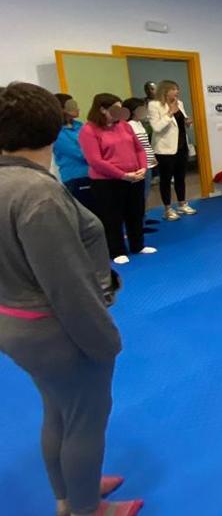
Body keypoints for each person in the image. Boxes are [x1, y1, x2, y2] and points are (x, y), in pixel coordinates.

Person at [0, 82, 143, 516]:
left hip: (16, 325)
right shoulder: (37, 194)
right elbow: (67, 286)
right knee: (84, 419)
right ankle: (85, 509)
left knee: (59, 410)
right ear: (53, 125)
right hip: (55, 329)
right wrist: (105, 339)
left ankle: (71, 491)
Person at [79, 94, 156, 265]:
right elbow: (95, 160)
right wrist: (122, 175)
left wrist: (143, 167)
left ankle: (138, 245)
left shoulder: (125, 126)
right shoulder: (89, 130)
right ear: (102, 109)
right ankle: (116, 250)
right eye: (115, 109)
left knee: (135, 212)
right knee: (111, 216)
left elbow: (139, 149)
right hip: (106, 182)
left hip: (135, 177)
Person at [147, 80, 196, 221]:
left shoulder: (179, 103)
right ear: (165, 90)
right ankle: (168, 209)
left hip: (181, 146)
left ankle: (182, 203)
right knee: (166, 179)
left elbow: (181, 123)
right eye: (173, 89)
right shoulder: (154, 105)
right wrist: (169, 114)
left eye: (177, 89)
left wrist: (188, 123)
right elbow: (156, 127)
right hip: (164, 149)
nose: (176, 92)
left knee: (180, 177)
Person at [52, 94, 95, 213]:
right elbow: (79, 153)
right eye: (71, 105)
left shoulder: (80, 125)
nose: (77, 108)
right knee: (87, 213)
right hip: (76, 177)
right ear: (61, 109)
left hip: (93, 174)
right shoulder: (57, 131)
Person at [123, 98, 157, 229]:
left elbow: (145, 144)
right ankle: (138, 224)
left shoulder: (139, 124)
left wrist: (152, 156)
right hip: (139, 165)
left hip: (147, 163)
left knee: (145, 193)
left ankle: (143, 218)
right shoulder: (129, 125)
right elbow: (133, 147)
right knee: (139, 196)